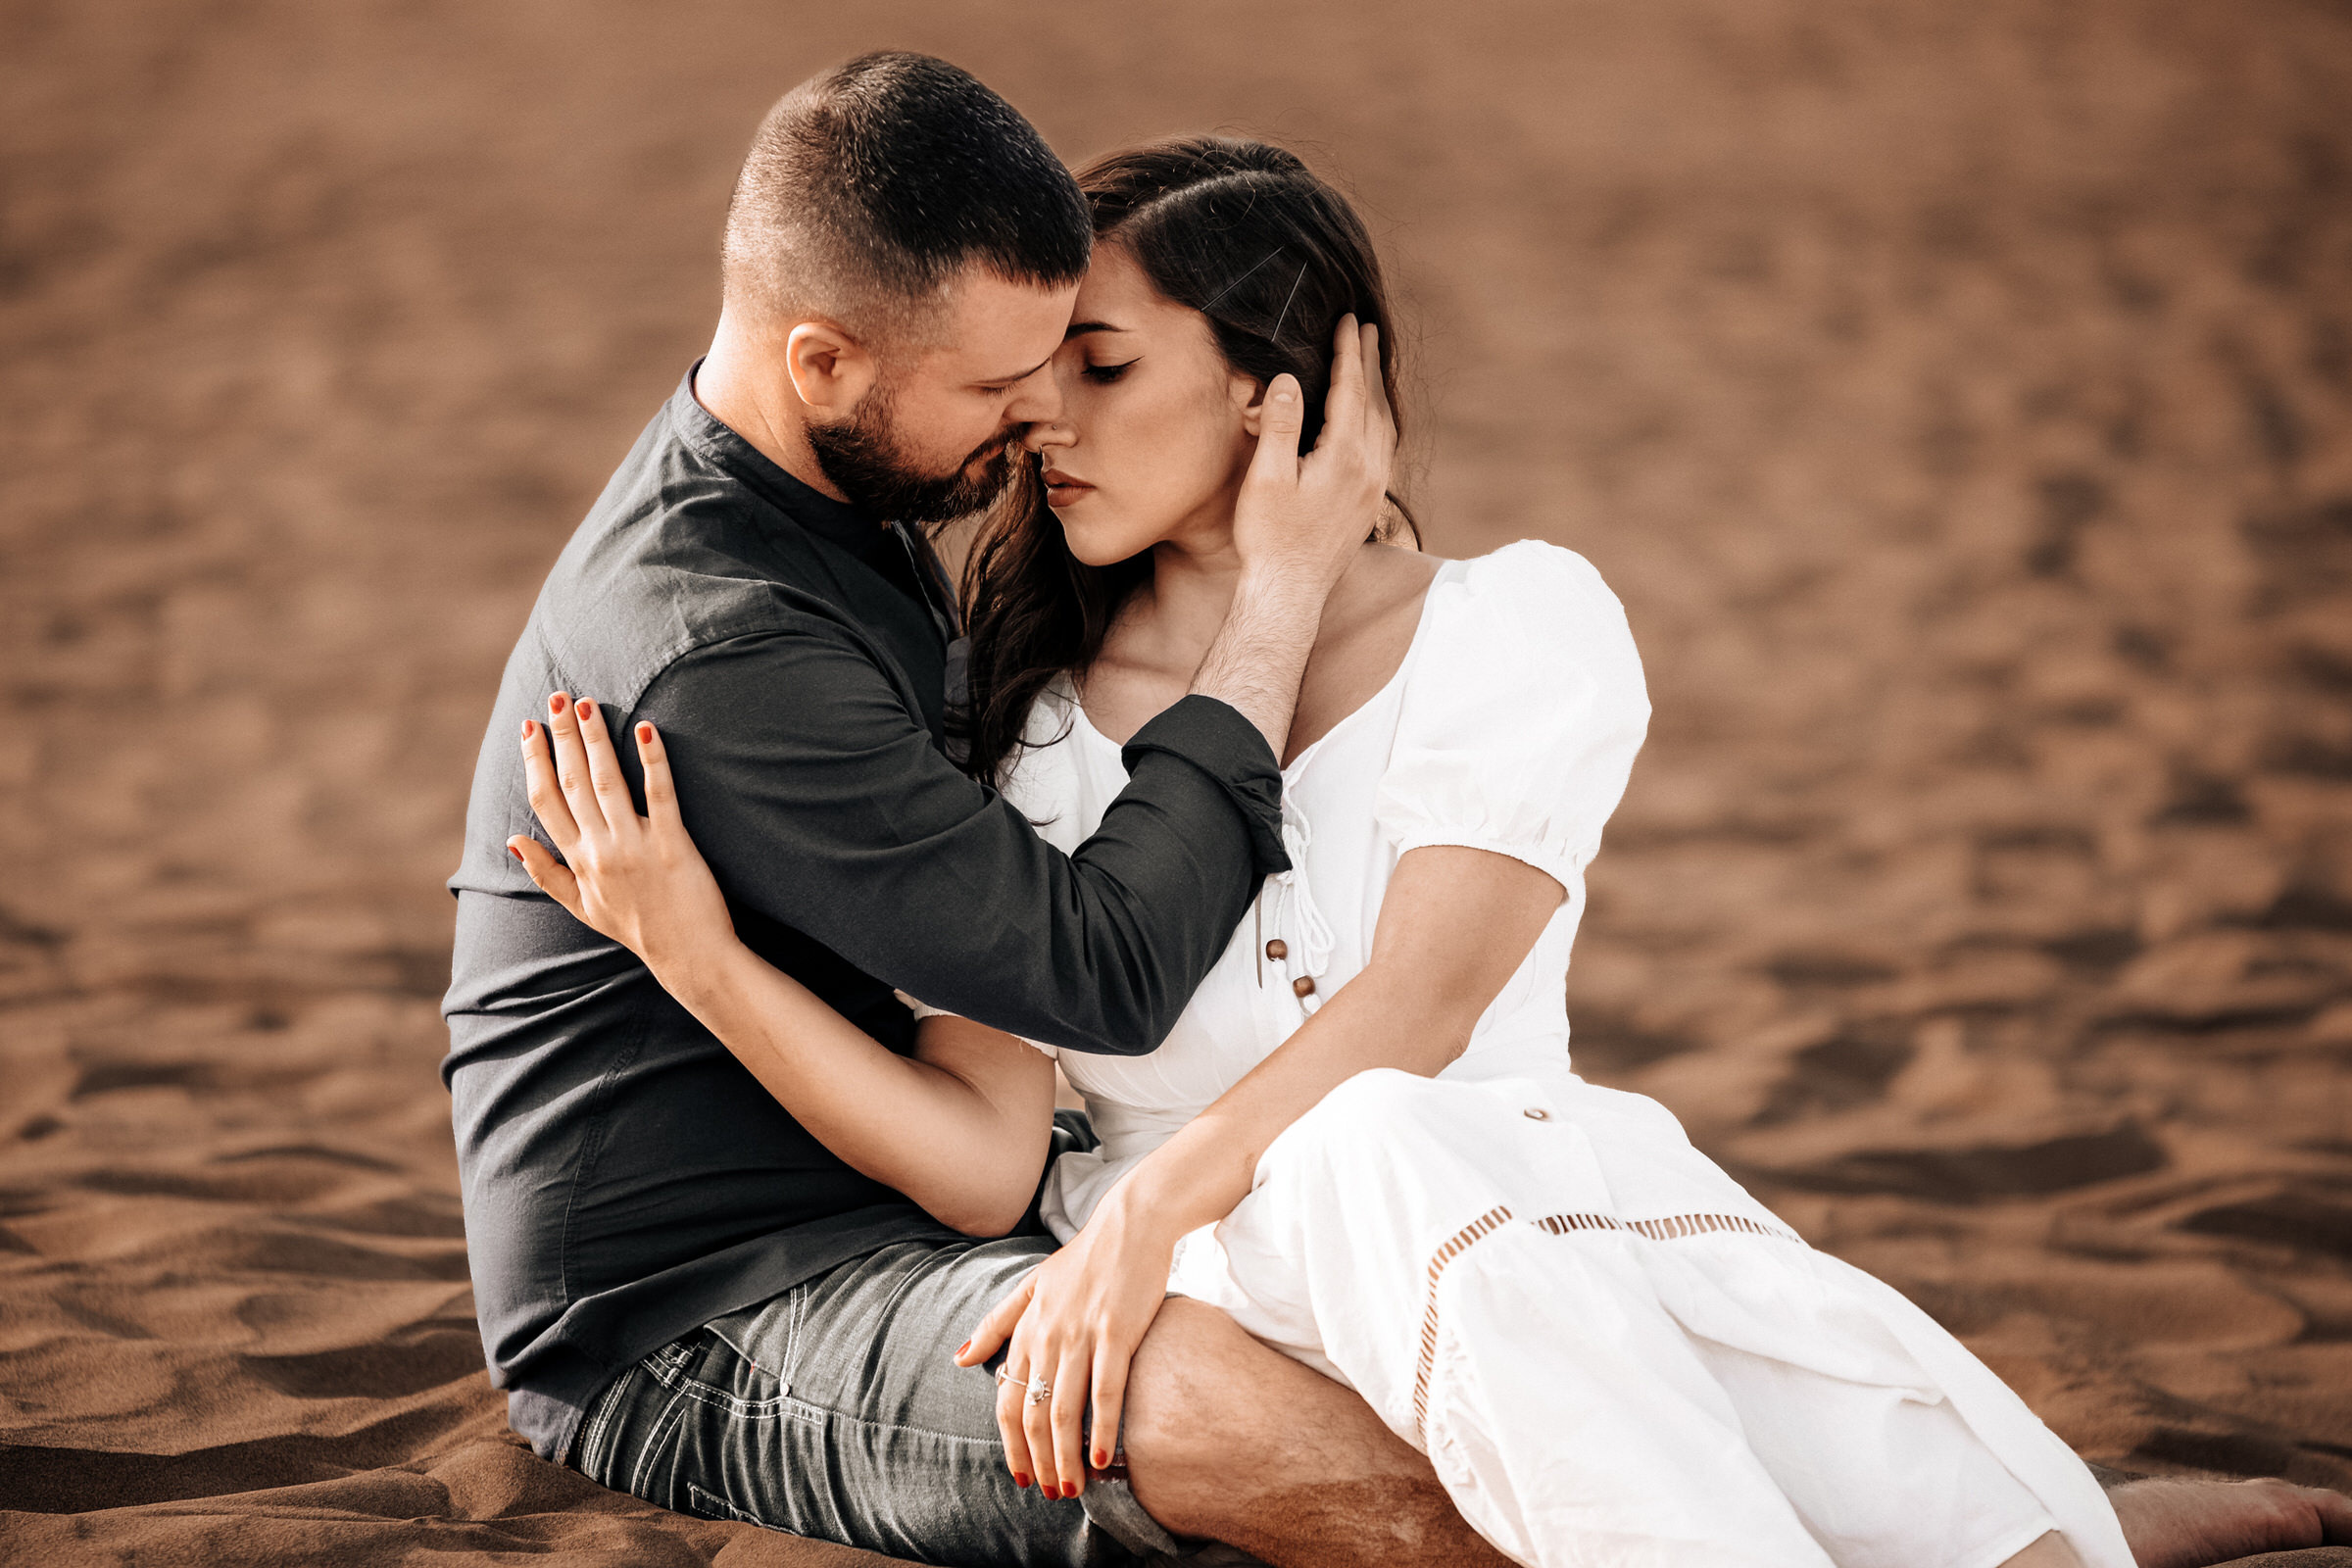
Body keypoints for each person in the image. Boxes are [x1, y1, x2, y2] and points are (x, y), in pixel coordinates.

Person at [505, 131, 2352, 1568]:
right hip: (1216, 1287)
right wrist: (704, 962)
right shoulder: (1034, 717)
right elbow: (989, 1167)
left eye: (1105, 365)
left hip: (1512, 1215)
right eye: (1031, 374)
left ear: (1277, 388)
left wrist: (1150, 1199)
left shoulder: (1520, 626)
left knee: (1403, 1148)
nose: (1040, 421)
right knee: (1391, 1182)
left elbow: (1419, 1008)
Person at [445, 52, 1528, 1568]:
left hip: (950, 1188)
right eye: (993, 381)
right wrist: (1282, 591)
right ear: (821, 362)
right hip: (704, 1309)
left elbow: (1002, 1115)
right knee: (1222, 1410)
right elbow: (1103, 975)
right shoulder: (723, 643)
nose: (1035, 414)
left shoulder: (829, 491)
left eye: (1061, 359)